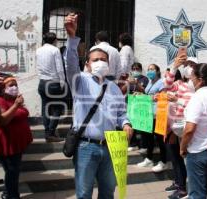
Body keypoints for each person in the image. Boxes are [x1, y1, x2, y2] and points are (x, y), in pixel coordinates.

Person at [64, 14, 133, 199]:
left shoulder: (114, 88)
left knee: (108, 192)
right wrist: (72, 39)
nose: (100, 62)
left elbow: (121, 113)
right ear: (87, 64)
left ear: (109, 64)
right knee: (84, 193)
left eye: (104, 59)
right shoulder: (80, 82)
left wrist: (126, 123)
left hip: (111, 147)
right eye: (95, 60)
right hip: (86, 147)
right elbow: (70, 65)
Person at [180, 63, 207, 199]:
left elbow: (189, 129)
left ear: (200, 80)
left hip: (197, 151)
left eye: (192, 78)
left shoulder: (198, 98)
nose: (190, 81)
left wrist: (183, 147)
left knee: (197, 194)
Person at [163, 55, 197, 199]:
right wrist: (174, 66)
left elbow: (195, 104)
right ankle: (186, 189)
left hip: (192, 127)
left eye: (192, 65)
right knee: (182, 159)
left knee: (190, 160)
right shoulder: (180, 84)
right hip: (177, 128)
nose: (189, 67)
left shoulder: (198, 85)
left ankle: (192, 191)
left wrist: (178, 100)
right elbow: (168, 85)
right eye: (186, 64)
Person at [0, 77, 33, 199]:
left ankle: (7, 193)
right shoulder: (1, 101)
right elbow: (3, 120)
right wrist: (16, 105)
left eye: (15, 84)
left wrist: (18, 104)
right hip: (8, 144)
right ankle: (12, 196)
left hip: (18, 143)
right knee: (12, 173)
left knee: (11, 172)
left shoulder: (15, 99)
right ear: (3, 88)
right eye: (11, 85)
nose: (14, 87)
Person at [136, 64, 168, 172]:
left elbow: (163, 96)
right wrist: (140, 95)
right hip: (148, 114)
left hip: (158, 114)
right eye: (148, 69)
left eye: (152, 69)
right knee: (148, 138)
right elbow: (148, 95)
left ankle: (164, 161)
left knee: (160, 139)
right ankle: (149, 158)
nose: (150, 71)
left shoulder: (161, 82)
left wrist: (152, 97)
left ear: (157, 71)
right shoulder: (149, 82)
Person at [36, 32, 65, 142]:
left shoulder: (39, 50)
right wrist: (62, 83)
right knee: (58, 107)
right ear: (54, 40)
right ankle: (51, 132)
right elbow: (60, 68)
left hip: (42, 82)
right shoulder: (55, 50)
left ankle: (47, 131)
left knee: (45, 108)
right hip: (53, 83)